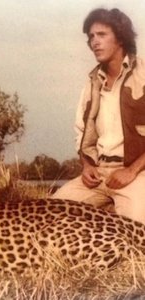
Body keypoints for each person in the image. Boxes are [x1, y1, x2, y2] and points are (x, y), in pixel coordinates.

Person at [52, 8, 145, 224]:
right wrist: (87, 166)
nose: (95, 42)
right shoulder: (92, 82)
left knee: (135, 232)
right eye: (91, 37)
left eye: (102, 35)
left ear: (121, 37)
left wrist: (131, 171)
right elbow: (82, 133)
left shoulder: (142, 73)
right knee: (50, 216)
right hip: (99, 173)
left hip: (137, 173)